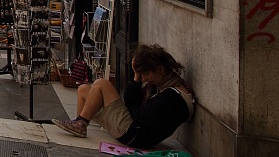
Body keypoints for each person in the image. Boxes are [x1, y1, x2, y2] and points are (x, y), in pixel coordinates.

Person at [53, 44, 196, 147]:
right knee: (84, 89)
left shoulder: (174, 96)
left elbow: (140, 115)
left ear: (160, 69)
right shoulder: (160, 85)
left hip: (135, 135)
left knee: (102, 84)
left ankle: (80, 123)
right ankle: (79, 123)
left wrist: (126, 107)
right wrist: (136, 77)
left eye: (146, 74)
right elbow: (133, 103)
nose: (145, 79)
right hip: (133, 129)